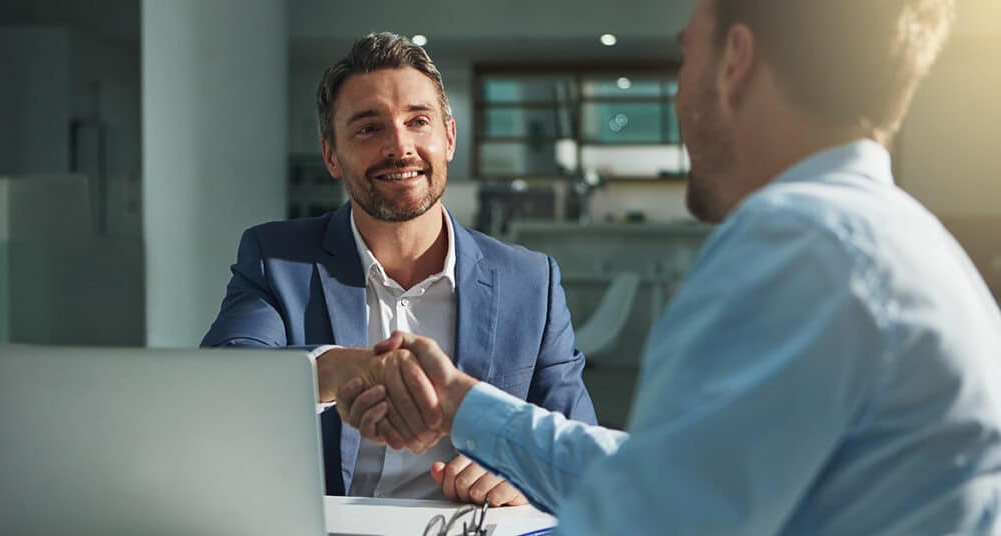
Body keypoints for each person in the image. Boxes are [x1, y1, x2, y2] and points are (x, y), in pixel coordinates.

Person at [337, 0, 1001, 533]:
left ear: (734, 62)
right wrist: (463, 408)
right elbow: (672, 474)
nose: (680, 95)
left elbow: (642, 518)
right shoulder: (902, 239)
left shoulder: (796, 244)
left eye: (686, 56)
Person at [200, 32, 597, 505]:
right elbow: (220, 383)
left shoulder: (531, 282)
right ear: (331, 154)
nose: (400, 146)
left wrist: (527, 478)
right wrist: (340, 370)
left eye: (418, 121)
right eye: (369, 128)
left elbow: (580, 450)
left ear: (448, 138)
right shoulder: (275, 259)